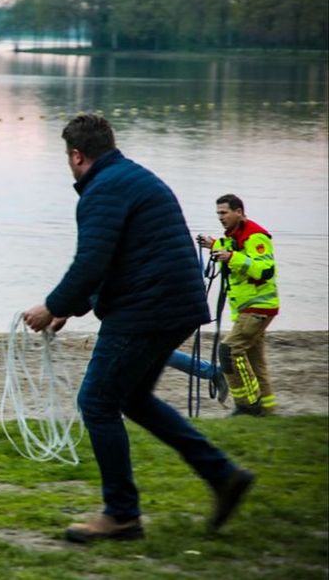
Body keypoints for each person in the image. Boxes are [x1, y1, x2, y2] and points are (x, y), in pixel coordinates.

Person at [22, 114, 254, 544]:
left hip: (147, 308)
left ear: (76, 155)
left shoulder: (101, 191)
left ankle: (122, 515)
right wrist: (71, 310)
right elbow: (118, 259)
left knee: (96, 402)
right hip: (173, 303)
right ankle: (223, 475)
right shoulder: (131, 178)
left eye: (68, 158)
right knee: (133, 399)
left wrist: (51, 305)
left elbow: (91, 262)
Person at [196, 194, 280, 416]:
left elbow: (265, 269)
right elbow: (233, 249)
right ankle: (268, 410)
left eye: (224, 213)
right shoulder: (236, 234)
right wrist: (212, 244)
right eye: (218, 213)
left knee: (228, 351)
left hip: (258, 308)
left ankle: (247, 405)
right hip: (248, 308)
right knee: (256, 361)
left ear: (239, 212)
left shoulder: (256, 236)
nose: (220, 217)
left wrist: (231, 258)